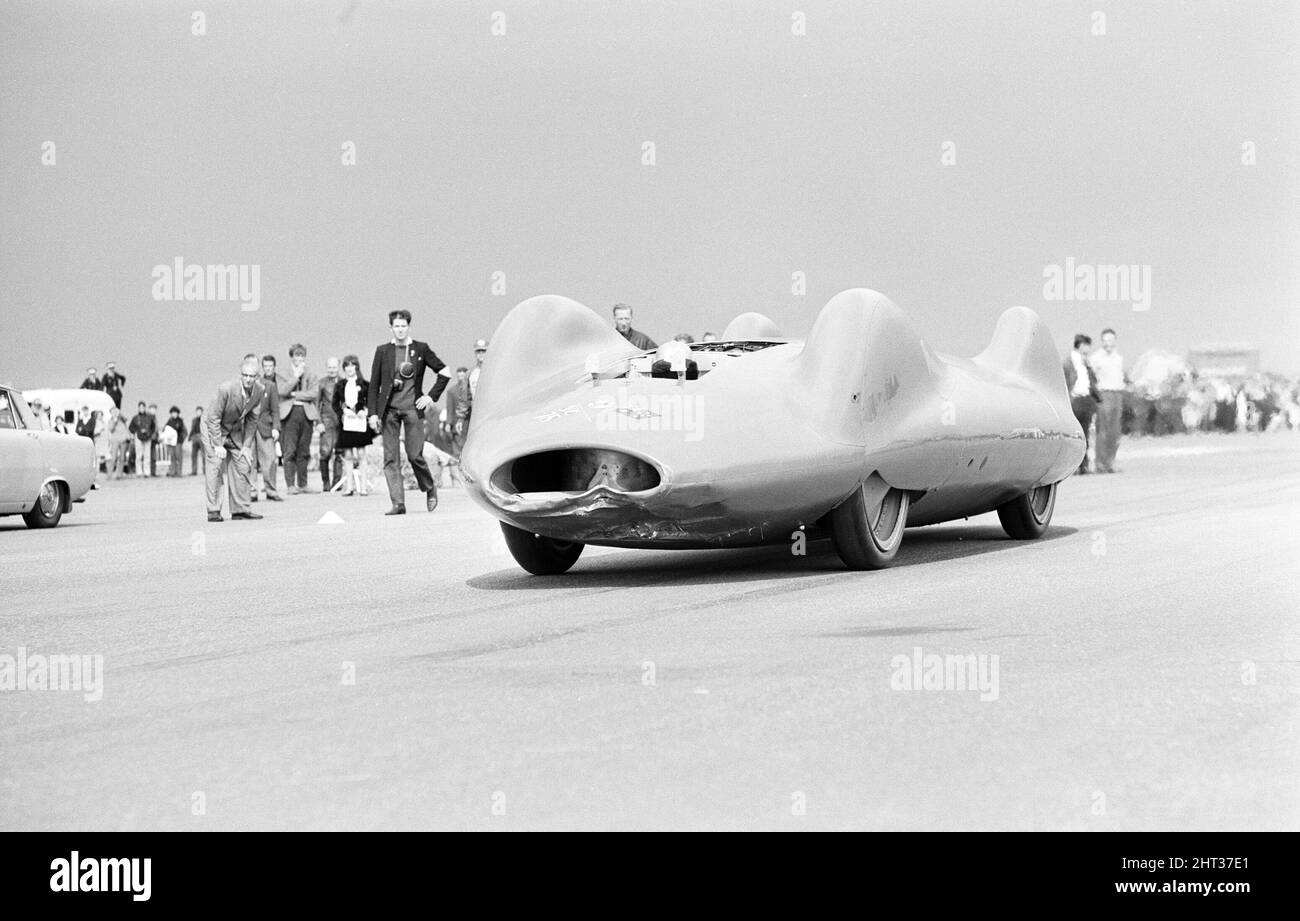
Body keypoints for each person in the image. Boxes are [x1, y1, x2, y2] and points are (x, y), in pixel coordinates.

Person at [368, 309, 450, 515]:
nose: (400, 329)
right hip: (389, 411)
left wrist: (431, 396)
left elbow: (444, 372)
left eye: (403, 326)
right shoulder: (383, 351)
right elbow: (374, 385)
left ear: (409, 327)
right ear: (391, 328)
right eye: (396, 326)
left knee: (415, 455)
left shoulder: (420, 349)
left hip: (413, 408)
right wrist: (373, 413)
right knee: (390, 458)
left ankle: (429, 487)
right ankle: (398, 503)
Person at [202, 355, 267, 522]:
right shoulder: (226, 389)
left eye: (252, 376)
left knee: (243, 463)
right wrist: (217, 445)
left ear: (256, 377)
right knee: (216, 466)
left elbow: (253, 420)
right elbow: (213, 417)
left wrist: (246, 446)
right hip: (212, 428)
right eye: (245, 375)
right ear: (241, 374)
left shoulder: (259, 390)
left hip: (234, 430)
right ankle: (214, 510)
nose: (248, 379)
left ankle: (240, 509)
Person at [276, 344, 318, 494]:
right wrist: (295, 377)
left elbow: (313, 393)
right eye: (296, 356)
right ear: (291, 357)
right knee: (290, 450)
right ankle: (290, 485)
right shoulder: (282, 373)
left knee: (304, 450)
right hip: (289, 414)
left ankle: (303, 483)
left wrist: (295, 395)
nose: (299, 359)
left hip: (306, 413)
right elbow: (282, 391)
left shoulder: (311, 374)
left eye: (302, 356)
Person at [332, 354, 376, 496]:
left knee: (362, 453)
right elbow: (335, 404)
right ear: (344, 368)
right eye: (347, 365)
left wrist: (365, 411)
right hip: (347, 424)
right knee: (348, 455)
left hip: (361, 423)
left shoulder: (365, 384)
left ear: (356, 367)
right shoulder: (340, 385)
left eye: (352, 365)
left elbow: (370, 401)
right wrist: (343, 412)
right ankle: (349, 487)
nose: (350, 368)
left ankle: (363, 487)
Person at [1088, 328, 1128, 473]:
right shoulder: (1096, 358)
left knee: (1115, 431)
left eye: (1110, 340)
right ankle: (1100, 464)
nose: (1107, 344)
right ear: (1102, 342)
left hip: (1117, 394)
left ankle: (1110, 462)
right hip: (1104, 395)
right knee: (1102, 430)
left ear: (1115, 341)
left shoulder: (1119, 358)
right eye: (1105, 341)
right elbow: (1090, 379)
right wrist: (1096, 395)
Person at [1063, 334, 1101, 475]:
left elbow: (1092, 381)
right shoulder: (1068, 362)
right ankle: (1073, 466)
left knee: (1084, 434)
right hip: (1074, 400)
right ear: (1080, 345)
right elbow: (1066, 380)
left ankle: (1083, 465)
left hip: (1086, 399)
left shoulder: (1086, 362)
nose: (1088, 348)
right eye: (1086, 345)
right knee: (1074, 436)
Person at [253, 355, 283, 501]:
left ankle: (271, 490)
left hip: (266, 427)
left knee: (270, 459)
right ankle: (251, 491)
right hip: (248, 428)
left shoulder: (270, 386)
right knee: (249, 461)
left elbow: (275, 409)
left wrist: (276, 427)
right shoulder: (244, 384)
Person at [317, 356, 343, 492]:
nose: (332, 370)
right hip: (326, 419)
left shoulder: (344, 382)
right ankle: (325, 482)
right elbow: (316, 404)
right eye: (330, 367)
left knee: (340, 452)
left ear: (338, 367)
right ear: (326, 368)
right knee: (325, 452)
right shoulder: (321, 383)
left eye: (334, 367)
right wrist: (319, 422)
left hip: (342, 420)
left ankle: (337, 482)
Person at [74, 405, 104, 488]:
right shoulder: (80, 420)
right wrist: (84, 430)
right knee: (82, 459)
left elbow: (90, 430)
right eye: (84, 411)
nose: (85, 412)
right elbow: (77, 430)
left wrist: (83, 430)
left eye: (86, 410)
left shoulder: (92, 420)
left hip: (89, 441)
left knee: (90, 459)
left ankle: (91, 477)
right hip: (82, 441)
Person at [446, 366, 473, 455]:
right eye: (459, 376)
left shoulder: (473, 388)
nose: (461, 378)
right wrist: (448, 423)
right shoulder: (452, 391)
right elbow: (449, 408)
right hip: (456, 421)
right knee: (458, 447)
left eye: (462, 376)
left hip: (469, 422)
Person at [128, 401, 156, 478]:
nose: (141, 409)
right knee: (139, 456)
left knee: (147, 456)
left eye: (143, 407)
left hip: (147, 438)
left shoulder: (149, 418)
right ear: (138, 408)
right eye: (140, 407)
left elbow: (153, 427)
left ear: (145, 408)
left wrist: (149, 433)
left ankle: (147, 472)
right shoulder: (135, 418)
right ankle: (139, 472)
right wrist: (136, 432)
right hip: (138, 438)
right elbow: (130, 427)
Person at [106, 406, 131, 479]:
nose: (115, 413)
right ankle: (109, 474)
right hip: (115, 441)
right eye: (113, 412)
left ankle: (119, 474)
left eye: (116, 411)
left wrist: (120, 414)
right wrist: (115, 421)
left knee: (122, 458)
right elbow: (111, 429)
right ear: (111, 413)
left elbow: (126, 419)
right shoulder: (110, 421)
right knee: (114, 458)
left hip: (123, 440)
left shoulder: (122, 420)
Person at [163, 406, 187, 477]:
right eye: (173, 413)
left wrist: (181, 440)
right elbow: (165, 430)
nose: (174, 414)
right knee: (172, 457)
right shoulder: (169, 421)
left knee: (179, 457)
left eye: (175, 413)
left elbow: (185, 432)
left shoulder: (181, 421)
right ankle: (172, 472)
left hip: (178, 442)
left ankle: (179, 473)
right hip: (170, 443)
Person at [189, 405, 205, 475]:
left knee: (204, 455)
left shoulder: (204, 419)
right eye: (197, 411)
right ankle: (194, 471)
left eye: (200, 411)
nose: (198, 413)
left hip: (202, 437)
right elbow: (192, 429)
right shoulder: (194, 420)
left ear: (202, 412)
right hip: (195, 438)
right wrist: (190, 437)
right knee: (193, 455)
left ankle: (205, 470)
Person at [147, 403, 162, 476]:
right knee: (148, 456)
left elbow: (156, 428)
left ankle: (153, 472)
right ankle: (148, 472)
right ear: (149, 409)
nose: (154, 410)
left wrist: (158, 436)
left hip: (154, 439)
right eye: (152, 409)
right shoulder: (147, 417)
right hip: (148, 439)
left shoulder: (155, 418)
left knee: (153, 456)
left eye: (155, 409)